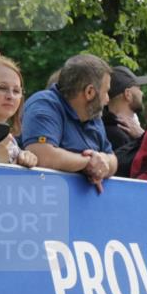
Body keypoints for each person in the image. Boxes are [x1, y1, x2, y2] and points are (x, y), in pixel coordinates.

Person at [22, 54, 116, 191]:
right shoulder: (44, 104)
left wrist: (103, 161)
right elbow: (42, 156)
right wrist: (88, 163)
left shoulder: (94, 117)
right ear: (89, 92)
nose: (107, 100)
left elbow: (113, 159)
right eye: (106, 92)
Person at [102, 66, 147, 176]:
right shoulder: (119, 136)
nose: (142, 94)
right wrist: (143, 137)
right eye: (139, 88)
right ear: (128, 94)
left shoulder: (101, 128)